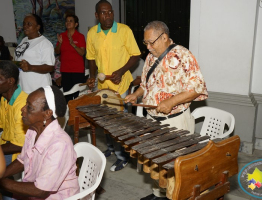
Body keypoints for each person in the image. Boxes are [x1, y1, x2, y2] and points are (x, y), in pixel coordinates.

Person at [125, 21, 208, 200]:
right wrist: (137, 94)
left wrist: (171, 101)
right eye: (145, 43)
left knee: (174, 169)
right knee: (157, 162)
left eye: (151, 42)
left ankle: (174, 197)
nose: (148, 47)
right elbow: (146, 83)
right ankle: (158, 194)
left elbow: (197, 88)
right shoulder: (151, 56)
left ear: (164, 37)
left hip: (175, 121)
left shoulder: (184, 56)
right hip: (153, 120)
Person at [0, 85, 79, 199]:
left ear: (47, 113)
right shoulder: (33, 130)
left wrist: (0, 183)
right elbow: (22, 160)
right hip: (34, 190)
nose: (22, 108)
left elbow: (41, 191)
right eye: (26, 103)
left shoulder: (59, 144)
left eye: (29, 107)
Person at [86, 0, 141, 171]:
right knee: (105, 121)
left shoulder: (124, 30)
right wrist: (93, 76)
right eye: (103, 13)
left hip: (121, 86)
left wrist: (122, 71)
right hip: (102, 87)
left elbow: (135, 55)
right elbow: (91, 58)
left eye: (110, 12)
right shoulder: (92, 33)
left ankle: (122, 156)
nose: (108, 15)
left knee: (120, 124)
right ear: (97, 15)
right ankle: (111, 148)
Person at [0, 61, 28, 166]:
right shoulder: (5, 98)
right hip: (7, 144)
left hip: (19, 152)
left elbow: (19, 145)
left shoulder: (22, 105)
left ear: (10, 81)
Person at [15, 13, 55, 94]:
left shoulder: (45, 43)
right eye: (24, 24)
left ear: (38, 27)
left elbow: (50, 67)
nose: (25, 26)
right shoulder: (24, 40)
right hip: (23, 86)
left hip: (37, 88)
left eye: (29, 24)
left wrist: (30, 67)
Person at [55, 14, 86, 102]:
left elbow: (82, 52)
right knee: (67, 96)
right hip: (65, 70)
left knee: (78, 97)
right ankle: (69, 115)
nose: (68, 23)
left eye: (71, 21)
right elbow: (57, 51)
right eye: (67, 21)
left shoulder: (80, 36)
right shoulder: (62, 35)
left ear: (76, 24)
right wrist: (60, 43)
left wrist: (73, 44)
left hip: (77, 71)